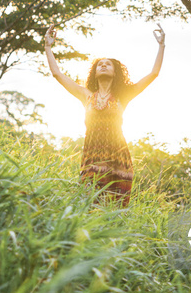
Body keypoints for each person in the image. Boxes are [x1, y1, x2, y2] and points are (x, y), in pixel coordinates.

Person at [44, 24, 165, 207]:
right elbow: (57, 74)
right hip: (92, 157)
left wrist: (161, 46)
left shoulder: (123, 96)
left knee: (115, 208)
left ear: (115, 72)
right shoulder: (86, 96)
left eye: (108, 64)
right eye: (100, 64)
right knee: (90, 204)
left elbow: (153, 74)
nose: (103, 65)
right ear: (95, 72)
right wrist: (47, 47)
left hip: (118, 159)